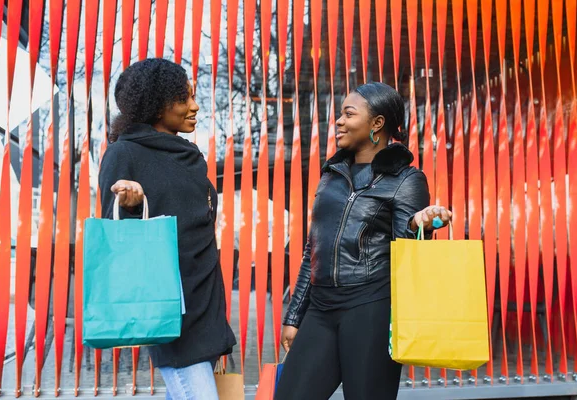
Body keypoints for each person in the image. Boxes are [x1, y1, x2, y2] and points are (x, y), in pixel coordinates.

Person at [275, 82, 452, 400]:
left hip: (370, 308)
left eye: (348, 114)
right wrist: (294, 316)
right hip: (321, 308)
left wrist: (418, 223)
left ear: (377, 123)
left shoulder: (406, 179)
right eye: (339, 114)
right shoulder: (332, 173)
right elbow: (311, 249)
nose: (339, 121)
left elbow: (406, 255)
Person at [99, 58, 236, 400]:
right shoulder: (124, 153)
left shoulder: (189, 156)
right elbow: (114, 236)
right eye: (184, 98)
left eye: (193, 96)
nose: (195, 106)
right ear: (157, 105)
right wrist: (131, 206)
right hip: (168, 304)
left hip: (205, 303)